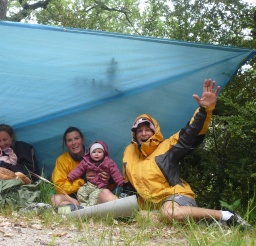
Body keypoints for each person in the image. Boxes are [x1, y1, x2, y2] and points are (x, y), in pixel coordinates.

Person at [122, 78, 251, 230]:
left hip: (176, 197)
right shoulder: (129, 152)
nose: (143, 133)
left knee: (169, 213)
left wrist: (204, 111)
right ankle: (208, 224)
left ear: (154, 131)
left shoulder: (166, 146)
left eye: (147, 129)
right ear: (135, 134)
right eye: (139, 130)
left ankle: (227, 216)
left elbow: (190, 133)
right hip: (152, 207)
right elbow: (128, 185)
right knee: (146, 218)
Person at [51, 127, 118, 208]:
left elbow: (114, 182)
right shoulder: (62, 160)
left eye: (76, 138)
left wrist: (109, 180)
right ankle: (79, 212)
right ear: (66, 144)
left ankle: (124, 211)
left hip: (95, 196)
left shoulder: (97, 155)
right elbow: (59, 187)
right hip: (74, 200)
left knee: (106, 193)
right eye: (69, 140)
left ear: (83, 140)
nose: (73, 143)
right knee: (55, 198)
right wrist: (83, 180)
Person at [68, 141, 125, 207]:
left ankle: (90, 209)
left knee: (94, 197)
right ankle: (83, 205)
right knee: (81, 192)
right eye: (94, 152)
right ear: (90, 153)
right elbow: (78, 169)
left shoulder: (108, 162)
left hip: (100, 186)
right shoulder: (86, 161)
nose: (96, 154)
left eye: (99, 152)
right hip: (89, 185)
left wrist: (121, 182)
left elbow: (115, 172)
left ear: (104, 153)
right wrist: (71, 176)